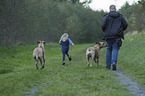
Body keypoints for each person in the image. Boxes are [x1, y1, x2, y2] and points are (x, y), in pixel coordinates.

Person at [101, 5, 128, 70]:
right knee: (115, 49)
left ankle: (108, 65)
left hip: (108, 36)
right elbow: (125, 24)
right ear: (115, 9)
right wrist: (121, 30)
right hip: (117, 35)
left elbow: (102, 25)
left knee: (109, 49)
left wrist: (106, 31)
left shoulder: (106, 16)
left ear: (109, 9)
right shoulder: (120, 16)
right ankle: (113, 63)